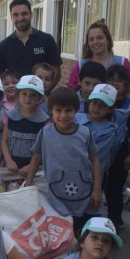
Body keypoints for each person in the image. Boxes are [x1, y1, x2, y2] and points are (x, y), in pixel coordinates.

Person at [25, 87, 102, 237]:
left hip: (84, 191)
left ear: (76, 110)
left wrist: (97, 190)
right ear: (51, 111)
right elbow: (36, 158)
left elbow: (95, 160)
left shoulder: (84, 133)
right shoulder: (45, 133)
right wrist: (28, 185)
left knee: (84, 232)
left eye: (69, 110)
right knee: (61, 232)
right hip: (56, 191)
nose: (63, 115)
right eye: (58, 110)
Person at [0, 0, 62, 90]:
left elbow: (56, 73)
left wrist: (43, 95)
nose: (20, 18)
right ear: (11, 17)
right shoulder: (4, 46)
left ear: (31, 15)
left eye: (24, 14)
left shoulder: (46, 40)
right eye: (16, 15)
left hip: (40, 100)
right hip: (14, 101)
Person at [103, 65, 130, 231]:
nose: (115, 83)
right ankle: (95, 218)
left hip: (120, 151)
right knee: (98, 182)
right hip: (100, 150)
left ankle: (114, 219)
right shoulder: (99, 100)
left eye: (120, 80)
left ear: (126, 84)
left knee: (115, 186)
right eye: (111, 79)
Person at [1, 75, 50, 173]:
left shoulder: (45, 121)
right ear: (18, 95)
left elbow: (45, 149)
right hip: (11, 168)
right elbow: (4, 141)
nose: (28, 98)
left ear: (40, 98)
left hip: (34, 170)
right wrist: (9, 160)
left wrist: (31, 166)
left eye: (33, 95)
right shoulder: (10, 117)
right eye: (24, 94)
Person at [66, 20, 130, 90]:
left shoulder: (122, 63)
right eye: (91, 39)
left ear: (108, 40)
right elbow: (71, 92)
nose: (95, 42)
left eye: (100, 38)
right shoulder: (81, 65)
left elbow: (129, 90)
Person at [75, 84, 119, 180]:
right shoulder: (76, 118)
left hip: (90, 177)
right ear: (89, 102)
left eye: (103, 105)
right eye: (94, 102)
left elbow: (95, 156)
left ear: (110, 109)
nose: (97, 108)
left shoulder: (108, 131)